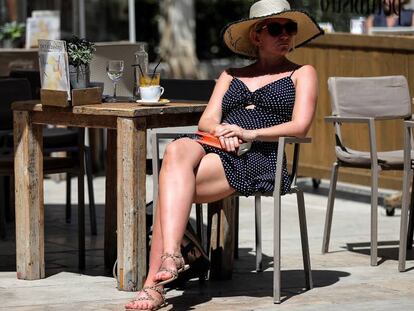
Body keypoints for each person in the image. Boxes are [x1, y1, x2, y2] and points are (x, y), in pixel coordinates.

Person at [125, 0, 323, 309]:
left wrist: (249, 133)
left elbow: (300, 125)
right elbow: (206, 121)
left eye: (290, 28)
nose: (285, 35)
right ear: (256, 37)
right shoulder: (231, 75)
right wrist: (224, 132)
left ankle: (157, 280)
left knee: (169, 186)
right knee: (177, 149)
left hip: (261, 154)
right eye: (275, 28)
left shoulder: (302, 73)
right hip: (216, 144)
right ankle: (175, 255)